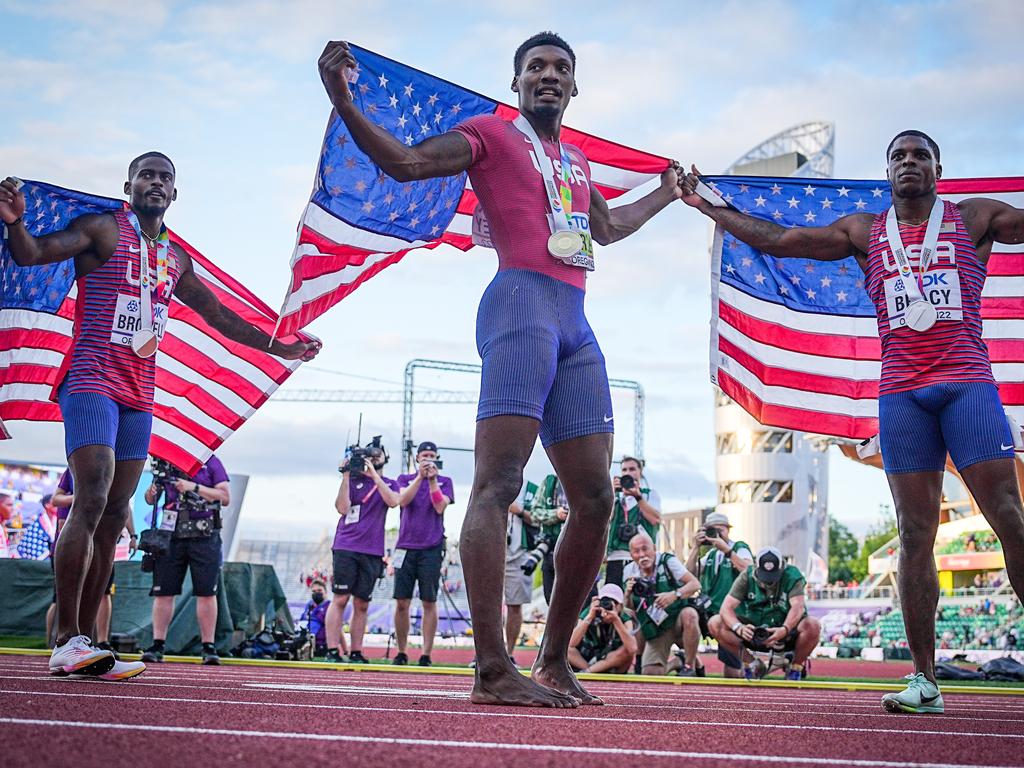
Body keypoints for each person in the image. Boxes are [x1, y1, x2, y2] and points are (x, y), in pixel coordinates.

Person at [319, 32, 681, 707]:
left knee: (597, 498)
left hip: (575, 320)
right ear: (516, 84)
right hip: (519, 305)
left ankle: (551, 661)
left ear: (574, 88)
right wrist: (342, 99)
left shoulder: (573, 157)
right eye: (535, 67)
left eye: (561, 69)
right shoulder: (489, 132)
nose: (548, 76)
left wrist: (667, 192)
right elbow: (403, 163)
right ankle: (490, 667)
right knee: (498, 481)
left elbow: (604, 228)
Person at [680, 130, 1024, 713]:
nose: (909, 162)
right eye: (898, 155)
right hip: (903, 397)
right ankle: (924, 681)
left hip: (967, 387)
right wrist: (708, 205)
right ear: (887, 170)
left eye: (920, 155)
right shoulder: (865, 231)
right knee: (915, 536)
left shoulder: (974, 218)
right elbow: (783, 239)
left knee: (1010, 520)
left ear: (939, 167)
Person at [0, 156, 318, 681]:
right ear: (129, 187)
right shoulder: (102, 229)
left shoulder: (175, 259)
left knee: (114, 510)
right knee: (93, 494)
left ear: (175, 193)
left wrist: (281, 347)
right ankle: (64, 639)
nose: (156, 183)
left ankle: (87, 642)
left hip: (137, 392)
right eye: (147, 175)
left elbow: (220, 318)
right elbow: (34, 253)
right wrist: (14, 223)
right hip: (90, 378)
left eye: (165, 177)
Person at [140, 454, 231, 665]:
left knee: (207, 592)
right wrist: (152, 491)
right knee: (163, 592)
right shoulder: (167, 462)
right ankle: (157, 643)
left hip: (205, 535)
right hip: (170, 535)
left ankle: (208, 646)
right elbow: (149, 499)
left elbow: (225, 497)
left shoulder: (211, 462)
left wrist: (193, 487)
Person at [324, 443, 399, 664]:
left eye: (377, 456)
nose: (372, 459)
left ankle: (356, 650)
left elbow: (393, 501)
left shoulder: (388, 483)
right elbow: (342, 508)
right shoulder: (353, 480)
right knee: (340, 598)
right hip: (346, 546)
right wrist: (346, 476)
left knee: (362, 603)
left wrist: (374, 475)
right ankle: (331, 649)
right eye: (369, 457)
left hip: (372, 549)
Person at [713, 547, 821, 682]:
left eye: (773, 576)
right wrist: (738, 627)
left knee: (813, 625)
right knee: (715, 623)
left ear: (782, 568)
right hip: (754, 629)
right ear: (756, 569)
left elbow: (797, 607)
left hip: (787, 631)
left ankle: (795, 668)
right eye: (765, 577)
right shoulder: (746, 575)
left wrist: (785, 629)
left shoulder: (793, 575)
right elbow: (726, 608)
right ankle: (752, 664)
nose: (769, 582)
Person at [392, 441, 454, 666]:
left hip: (432, 547)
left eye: (432, 455)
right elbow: (402, 500)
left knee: (429, 600)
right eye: (424, 455)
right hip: (405, 547)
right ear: (417, 458)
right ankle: (401, 650)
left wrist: (432, 480)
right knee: (401, 602)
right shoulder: (404, 479)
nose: (428, 459)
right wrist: (419, 477)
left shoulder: (445, 482)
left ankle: (426, 653)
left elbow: (439, 506)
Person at [682, 511, 753, 677]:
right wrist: (695, 548)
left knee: (732, 673)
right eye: (711, 531)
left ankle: (751, 665)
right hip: (710, 612)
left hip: (732, 614)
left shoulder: (739, 547)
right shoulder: (711, 555)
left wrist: (727, 551)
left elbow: (749, 571)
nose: (716, 535)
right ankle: (689, 664)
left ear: (728, 530)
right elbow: (687, 575)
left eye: (720, 530)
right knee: (683, 618)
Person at [623, 532, 699, 675]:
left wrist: (673, 595)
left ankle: (689, 667)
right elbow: (628, 610)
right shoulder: (629, 571)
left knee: (690, 614)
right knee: (650, 674)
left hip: (677, 620)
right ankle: (677, 662)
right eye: (636, 551)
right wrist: (627, 594)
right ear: (631, 554)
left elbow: (695, 584)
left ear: (654, 548)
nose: (642, 554)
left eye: (645, 549)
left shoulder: (667, 561)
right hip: (657, 627)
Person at [605, 456, 662, 588]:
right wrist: (612, 493)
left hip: (641, 556)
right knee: (613, 597)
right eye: (624, 470)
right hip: (616, 556)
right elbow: (606, 519)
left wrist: (637, 496)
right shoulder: (617, 497)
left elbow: (655, 519)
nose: (628, 473)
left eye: (632, 469)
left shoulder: (649, 494)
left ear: (640, 473)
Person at [567, 583, 637, 674]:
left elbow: (633, 648)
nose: (610, 606)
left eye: (615, 602)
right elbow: (571, 643)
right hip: (588, 657)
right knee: (563, 649)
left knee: (627, 652)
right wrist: (589, 617)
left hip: (612, 659)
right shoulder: (590, 611)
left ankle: (589, 671)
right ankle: (592, 670)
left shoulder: (624, 617)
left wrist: (616, 620)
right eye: (605, 602)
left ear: (620, 605)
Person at [524, 474, 569, 603]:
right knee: (551, 597)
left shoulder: (583, 478)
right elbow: (534, 514)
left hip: (576, 549)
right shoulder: (550, 481)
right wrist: (556, 514)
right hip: (551, 546)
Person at [504, 502, 536, 664]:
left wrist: (521, 512)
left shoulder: (531, 490)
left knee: (515, 605)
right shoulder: (488, 485)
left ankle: (509, 653)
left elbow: (539, 520)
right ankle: (486, 653)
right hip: (492, 553)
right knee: (487, 607)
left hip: (519, 555)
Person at [299, 579, 331, 657]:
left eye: (319, 590)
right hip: (305, 640)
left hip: (321, 644)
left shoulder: (329, 606)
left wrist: (345, 650)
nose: (316, 593)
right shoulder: (309, 606)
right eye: (314, 591)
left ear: (326, 592)